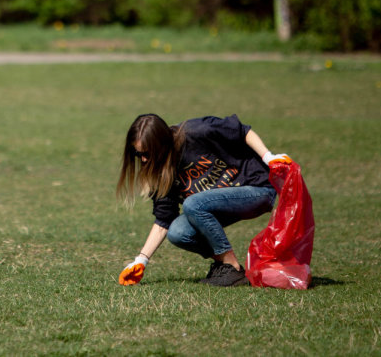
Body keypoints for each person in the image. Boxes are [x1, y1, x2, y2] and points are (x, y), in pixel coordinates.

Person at [117, 113, 287, 287]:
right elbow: (164, 220)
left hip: (257, 189)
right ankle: (226, 265)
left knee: (193, 203)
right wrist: (141, 260)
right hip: (216, 205)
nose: (144, 159)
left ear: (162, 144)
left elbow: (243, 132)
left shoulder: (196, 132)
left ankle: (232, 267)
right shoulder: (160, 172)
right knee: (178, 232)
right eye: (138, 154)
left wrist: (269, 157)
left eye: (147, 153)